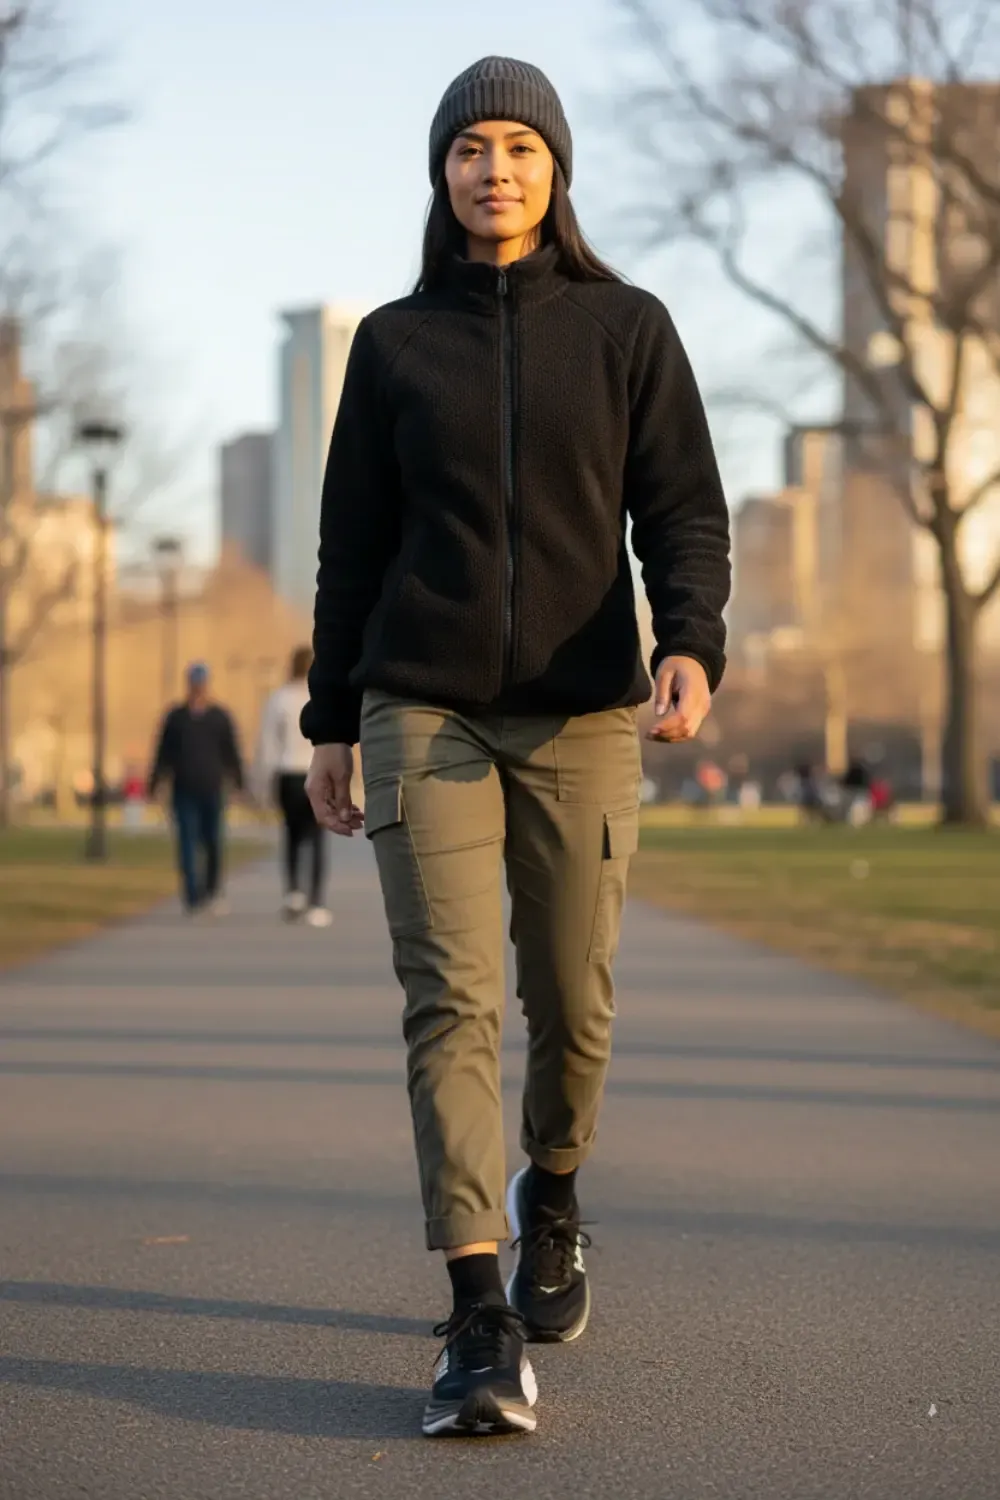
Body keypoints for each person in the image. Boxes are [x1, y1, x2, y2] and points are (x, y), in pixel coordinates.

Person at [302, 56, 731, 1438]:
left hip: (584, 709)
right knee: (452, 1000)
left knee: (572, 995)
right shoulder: (393, 343)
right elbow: (350, 549)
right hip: (418, 706)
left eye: (520, 147)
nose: (496, 169)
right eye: (470, 148)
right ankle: (477, 1311)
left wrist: (692, 638)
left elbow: (684, 508)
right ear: (441, 173)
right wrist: (327, 721)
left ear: (556, 169)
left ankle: (554, 1190)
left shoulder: (626, 328)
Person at [148, 662, 245, 915]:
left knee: (213, 842)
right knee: (187, 843)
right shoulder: (176, 717)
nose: (198, 689)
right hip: (184, 790)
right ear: (188, 685)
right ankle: (193, 897)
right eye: (194, 683)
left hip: (212, 789)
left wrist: (238, 783)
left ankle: (212, 892)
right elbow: (163, 753)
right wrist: (155, 783)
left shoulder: (220, 717)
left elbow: (231, 752)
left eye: (201, 684)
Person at [254, 645, 331, 927]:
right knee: (318, 837)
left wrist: (263, 781)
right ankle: (317, 903)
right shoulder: (323, 696)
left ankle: (294, 892)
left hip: (288, 773)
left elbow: (268, 743)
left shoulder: (279, 699)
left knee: (293, 833)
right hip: (318, 770)